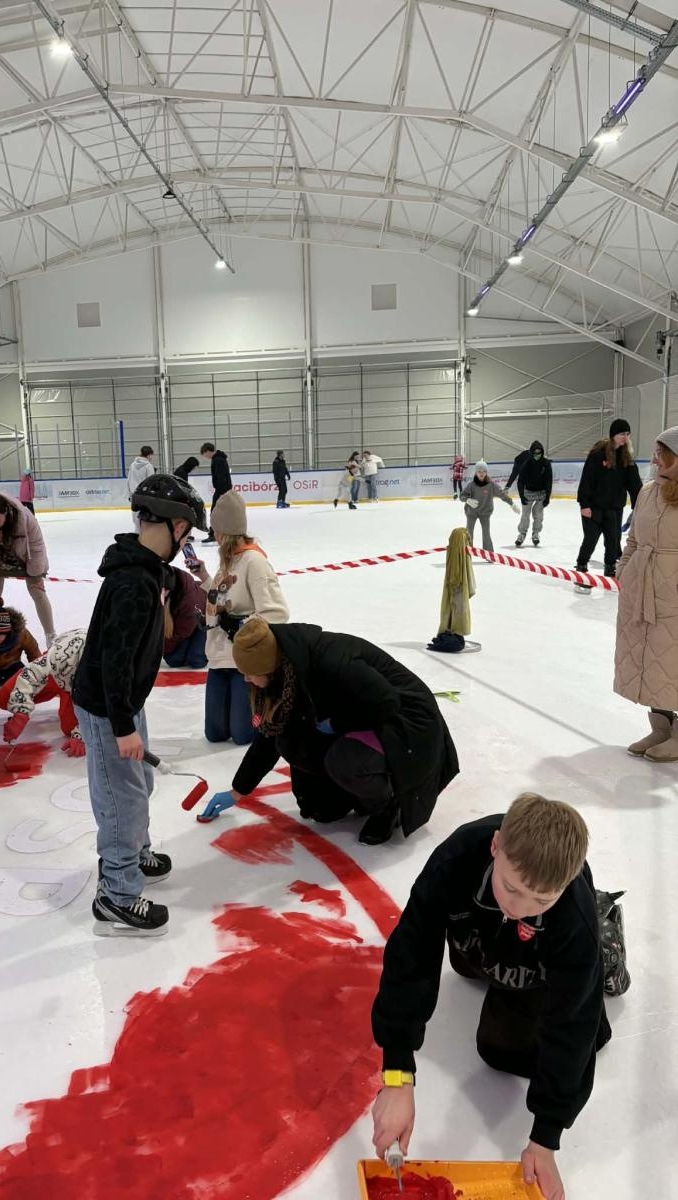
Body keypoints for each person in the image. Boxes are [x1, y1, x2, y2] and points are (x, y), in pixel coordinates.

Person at [370, 794, 610, 1200]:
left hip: (540, 961)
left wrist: (545, 1138)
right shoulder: (455, 861)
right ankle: (497, 942)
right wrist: (397, 1075)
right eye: (512, 888)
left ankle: (608, 933)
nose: (520, 907)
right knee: (465, 964)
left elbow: (573, 1027)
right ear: (495, 846)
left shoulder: (573, 917)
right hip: (480, 933)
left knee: (502, 1050)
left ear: (565, 886)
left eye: (541, 900)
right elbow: (410, 958)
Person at [72, 473, 207, 937]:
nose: (186, 543)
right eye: (186, 534)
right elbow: (114, 661)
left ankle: (135, 852)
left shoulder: (147, 569)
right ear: (175, 526)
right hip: (109, 707)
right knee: (120, 798)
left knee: (139, 783)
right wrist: (122, 726)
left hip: (124, 701)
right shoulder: (133, 582)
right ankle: (117, 893)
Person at [201, 618, 458, 846]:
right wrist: (238, 790)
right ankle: (351, 794)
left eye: (250, 673)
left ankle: (388, 804)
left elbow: (386, 703)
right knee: (312, 792)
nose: (246, 680)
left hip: (407, 723)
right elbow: (270, 735)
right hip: (361, 716)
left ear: (268, 666)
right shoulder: (284, 669)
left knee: (345, 761)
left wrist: (337, 724)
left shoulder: (330, 662)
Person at [192, 492, 289, 745]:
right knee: (215, 734)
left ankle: (269, 709)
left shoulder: (254, 562)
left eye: (215, 529)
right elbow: (224, 598)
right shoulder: (229, 560)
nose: (213, 535)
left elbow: (276, 612)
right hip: (218, 656)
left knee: (242, 734)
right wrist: (204, 577)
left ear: (226, 531)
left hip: (242, 661)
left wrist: (239, 625)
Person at [614, 426, 678, 762]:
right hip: (642, 587)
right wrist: (624, 571)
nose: (655, 460)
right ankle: (661, 727)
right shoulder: (648, 492)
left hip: (673, 592)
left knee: (673, 659)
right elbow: (634, 540)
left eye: (662, 454)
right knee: (652, 659)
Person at [0, 491, 55, 645]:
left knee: (37, 590)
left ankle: (50, 635)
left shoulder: (25, 517)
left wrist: (36, 574)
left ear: (6, 512)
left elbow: (37, 546)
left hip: (23, 556)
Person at [0, 628, 87, 756]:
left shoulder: (105, 674)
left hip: (82, 688)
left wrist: (82, 735)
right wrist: (21, 712)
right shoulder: (58, 655)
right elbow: (30, 674)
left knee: (70, 728)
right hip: (56, 673)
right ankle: (60, 687)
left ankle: (68, 699)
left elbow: (103, 705)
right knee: (5, 698)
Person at [576, 419, 642, 578]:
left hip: (614, 508)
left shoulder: (626, 458)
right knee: (590, 540)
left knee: (613, 541)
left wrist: (638, 506)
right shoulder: (598, 454)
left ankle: (610, 568)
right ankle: (582, 565)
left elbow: (634, 485)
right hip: (594, 507)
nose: (625, 437)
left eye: (627, 434)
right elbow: (587, 480)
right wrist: (584, 504)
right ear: (613, 435)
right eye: (622, 434)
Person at [460, 460, 517, 552]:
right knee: (469, 532)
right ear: (476, 472)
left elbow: (502, 495)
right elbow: (462, 496)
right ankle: (467, 551)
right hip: (471, 512)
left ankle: (488, 553)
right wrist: (468, 500)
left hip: (485, 512)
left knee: (486, 532)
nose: (481, 473)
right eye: (479, 471)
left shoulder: (491, 485)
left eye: (484, 471)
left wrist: (512, 503)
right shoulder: (471, 485)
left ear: (486, 472)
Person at [163, 569, 208, 670]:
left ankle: (208, 647)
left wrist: (161, 648)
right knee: (173, 660)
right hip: (187, 625)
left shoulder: (188, 601)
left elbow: (183, 631)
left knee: (196, 660)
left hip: (204, 621)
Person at [514, 441, 553, 548]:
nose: (537, 455)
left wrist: (547, 497)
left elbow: (549, 481)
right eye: (535, 453)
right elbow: (520, 481)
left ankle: (536, 533)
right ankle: (522, 534)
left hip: (541, 493)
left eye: (539, 453)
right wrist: (522, 496)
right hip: (528, 492)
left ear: (542, 453)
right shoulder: (526, 464)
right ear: (531, 453)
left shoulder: (546, 464)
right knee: (525, 514)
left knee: (538, 514)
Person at [200, 442, 232, 544]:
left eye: (204, 454)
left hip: (221, 491)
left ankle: (214, 534)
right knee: (220, 513)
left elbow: (221, 477)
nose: (205, 457)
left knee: (215, 513)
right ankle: (221, 534)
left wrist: (220, 491)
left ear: (208, 451)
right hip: (223, 490)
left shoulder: (218, 460)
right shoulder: (219, 458)